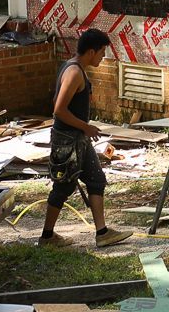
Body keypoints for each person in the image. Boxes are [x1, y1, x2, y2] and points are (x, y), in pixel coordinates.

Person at [38, 27, 130, 249]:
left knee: (96, 180)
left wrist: (83, 130)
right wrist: (85, 127)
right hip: (67, 141)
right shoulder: (74, 72)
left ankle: (102, 233)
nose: (102, 57)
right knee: (63, 186)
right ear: (91, 52)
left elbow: (58, 102)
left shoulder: (75, 68)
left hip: (79, 139)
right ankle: (47, 237)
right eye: (102, 53)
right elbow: (58, 110)